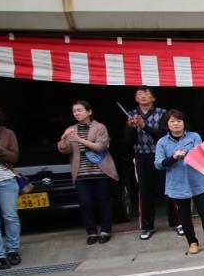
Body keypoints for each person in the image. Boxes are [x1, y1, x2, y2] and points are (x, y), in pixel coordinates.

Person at [154, 110, 204, 255]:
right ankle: (192, 242)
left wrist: (189, 155)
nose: (176, 124)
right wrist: (173, 157)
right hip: (177, 183)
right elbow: (158, 164)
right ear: (167, 124)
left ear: (184, 123)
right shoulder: (162, 142)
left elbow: (201, 155)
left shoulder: (194, 136)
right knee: (184, 215)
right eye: (172, 121)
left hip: (198, 180)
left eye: (179, 121)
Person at [58, 101, 119, 245]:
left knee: (104, 201)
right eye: (74, 111)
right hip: (80, 172)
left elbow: (100, 147)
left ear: (89, 112)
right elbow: (64, 150)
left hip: (100, 170)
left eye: (80, 110)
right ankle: (91, 232)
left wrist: (79, 139)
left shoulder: (99, 127)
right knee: (84, 203)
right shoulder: (71, 129)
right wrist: (63, 138)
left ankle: (105, 230)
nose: (77, 113)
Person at [125, 87, 177, 240]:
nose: (143, 96)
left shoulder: (162, 113)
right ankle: (147, 227)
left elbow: (163, 135)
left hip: (161, 156)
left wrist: (144, 126)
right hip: (141, 157)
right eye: (139, 94)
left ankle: (176, 223)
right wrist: (131, 128)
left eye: (147, 94)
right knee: (145, 191)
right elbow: (127, 141)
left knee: (168, 189)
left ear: (153, 98)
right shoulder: (131, 114)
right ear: (136, 98)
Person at [0, 102, 21, 269]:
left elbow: (14, 157)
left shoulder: (7, 133)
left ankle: (13, 251)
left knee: (10, 217)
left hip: (6, 180)